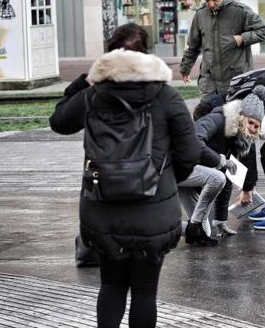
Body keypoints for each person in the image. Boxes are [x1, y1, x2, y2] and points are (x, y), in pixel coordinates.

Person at [49, 23, 199, 328]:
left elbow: (59, 120)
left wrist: (85, 81)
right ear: (146, 54)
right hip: (154, 212)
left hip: (103, 210)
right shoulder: (166, 96)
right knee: (145, 291)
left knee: (112, 286)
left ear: (108, 55)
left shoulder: (94, 95)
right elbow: (190, 154)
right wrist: (164, 179)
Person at [179, 85, 265, 244]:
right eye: (251, 123)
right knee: (217, 177)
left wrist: (220, 219)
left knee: (203, 232)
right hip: (173, 165)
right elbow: (194, 141)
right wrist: (219, 160)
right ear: (242, 116)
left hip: (188, 175)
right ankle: (190, 226)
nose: (253, 129)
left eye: (257, 126)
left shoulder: (236, 137)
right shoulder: (219, 119)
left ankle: (168, 229)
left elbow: (227, 178)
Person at [179, 0, 265, 110]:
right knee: (206, 118)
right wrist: (185, 68)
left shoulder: (240, 11)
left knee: (235, 121)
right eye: (206, 0)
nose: (210, 4)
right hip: (210, 82)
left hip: (236, 80)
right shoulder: (200, 15)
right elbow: (193, 45)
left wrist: (242, 38)